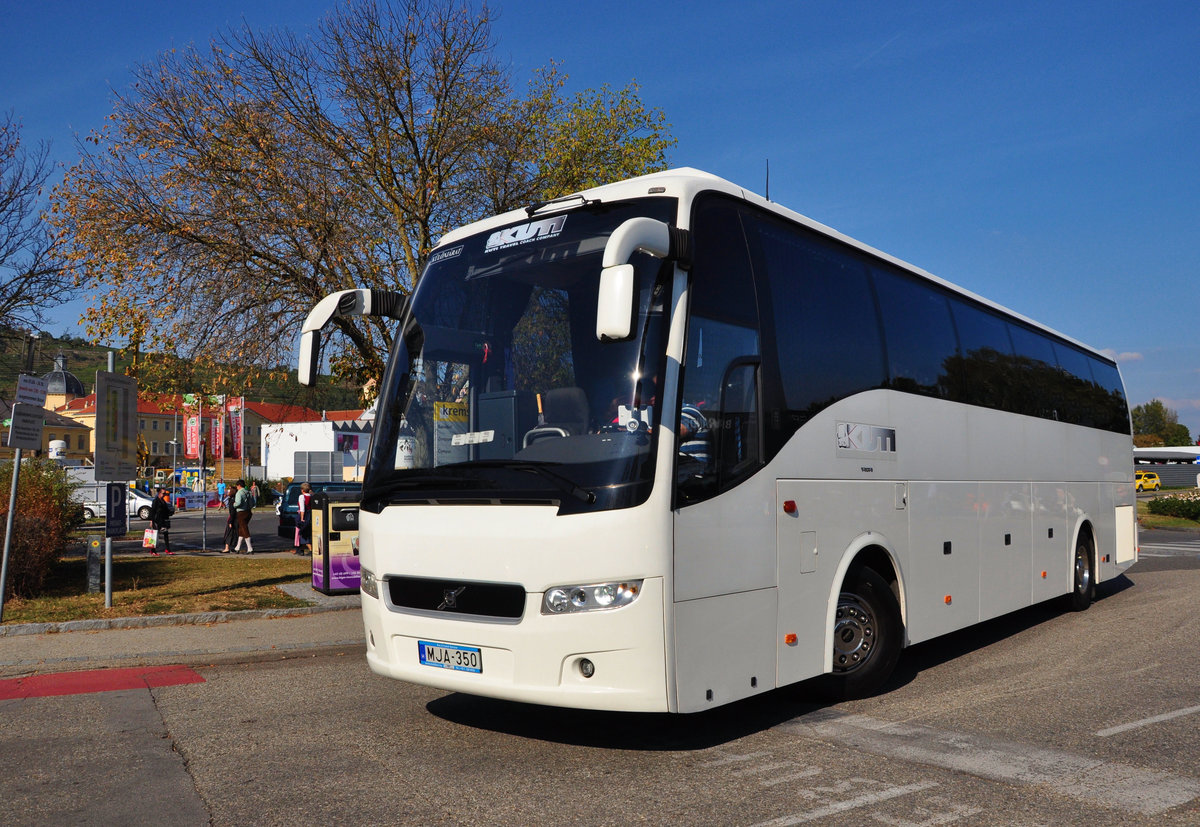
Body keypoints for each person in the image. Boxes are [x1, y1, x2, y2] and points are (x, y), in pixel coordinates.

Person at [148, 487, 176, 556]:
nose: (164, 495)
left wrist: (170, 513)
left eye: (165, 494)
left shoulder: (163, 501)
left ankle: (168, 549)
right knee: (155, 536)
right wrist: (152, 521)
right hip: (157, 521)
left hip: (163, 521)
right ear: (159, 493)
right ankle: (153, 550)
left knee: (165, 534)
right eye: (163, 493)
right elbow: (153, 511)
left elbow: (165, 510)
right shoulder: (156, 501)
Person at [232, 479, 255, 554]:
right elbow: (253, 503)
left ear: (239, 485)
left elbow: (238, 503)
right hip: (248, 512)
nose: (237, 488)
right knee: (241, 530)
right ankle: (237, 547)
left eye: (237, 486)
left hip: (241, 512)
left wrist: (234, 504)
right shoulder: (248, 492)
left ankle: (250, 548)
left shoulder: (239, 493)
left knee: (244, 529)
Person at [293, 481, 313, 555]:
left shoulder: (302, 497)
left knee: (299, 532)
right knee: (307, 532)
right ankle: (302, 548)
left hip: (304, 515)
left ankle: (300, 548)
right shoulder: (311, 496)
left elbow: (302, 509)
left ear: (302, 490)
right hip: (310, 515)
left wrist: (301, 518)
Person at [220, 484, 238, 553]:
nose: (227, 492)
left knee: (229, 533)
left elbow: (232, 512)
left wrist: (230, 521)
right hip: (233, 518)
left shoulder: (232, 501)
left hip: (232, 518)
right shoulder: (232, 499)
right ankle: (232, 547)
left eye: (229, 491)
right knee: (233, 533)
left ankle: (227, 548)